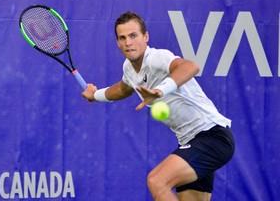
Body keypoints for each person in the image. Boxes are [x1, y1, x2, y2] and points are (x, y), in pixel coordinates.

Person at [81, 11, 235, 201]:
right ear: (117, 43)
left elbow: (191, 67)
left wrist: (161, 90)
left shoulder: (157, 58)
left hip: (212, 137)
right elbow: (123, 89)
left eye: (133, 35)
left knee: (157, 181)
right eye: (122, 38)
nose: (128, 42)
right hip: (191, 141)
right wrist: (95, 95)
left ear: (145, 37)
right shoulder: (129, 68)